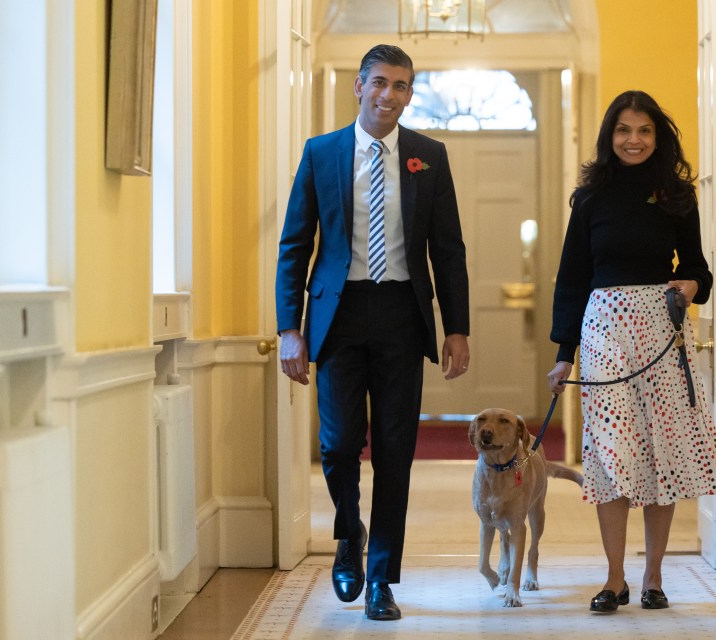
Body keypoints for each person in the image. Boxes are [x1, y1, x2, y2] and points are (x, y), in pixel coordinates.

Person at [276, 44, 470, 621]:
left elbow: (449, 250)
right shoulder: (322, 153)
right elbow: (295, 246)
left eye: (402, 86)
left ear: (411, 94)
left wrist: (456, 328)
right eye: (380, 83)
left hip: (402, 318)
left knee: (394, 452)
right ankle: (347, 534)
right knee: (336, 446)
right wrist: (289, 327)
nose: (391, 95)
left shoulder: (428, 156)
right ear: (359, 86)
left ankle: (382, 578)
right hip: (338, 315)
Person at [547, 90, 716, 614]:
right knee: (610, 453)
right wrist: (565, 355)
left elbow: (698, 269)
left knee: (661, 454)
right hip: (603, 329)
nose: (633, 140)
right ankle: (614, 579)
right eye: (624, 130)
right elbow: (573, 278)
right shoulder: (589, 198)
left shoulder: (677, 195)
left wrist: (691, 287)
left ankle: (653, 577)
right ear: (610, 137)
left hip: (662, 332)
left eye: (644, 131)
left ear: (658, 136)